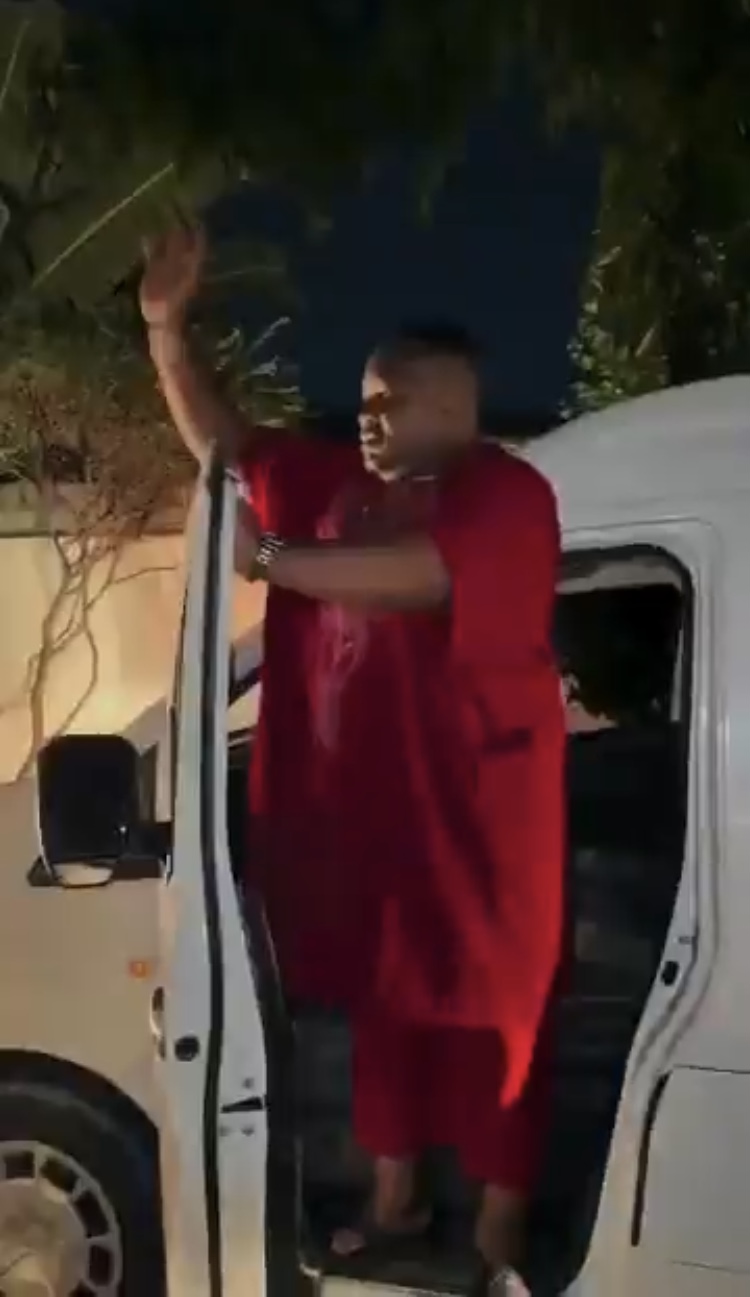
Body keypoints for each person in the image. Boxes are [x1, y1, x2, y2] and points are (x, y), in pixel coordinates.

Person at [141, 225, 565, 1296]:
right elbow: (228, 449)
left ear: (452, 407)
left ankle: (500, 1240)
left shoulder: (506, 495)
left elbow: (420, 576)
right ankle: (394, 1208)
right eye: (366, 402)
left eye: (390, 402)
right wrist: (165, 335)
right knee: (389, 1019)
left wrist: (271, 558)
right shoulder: (338, 488)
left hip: (483, 835)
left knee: (500, 1034)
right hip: (378, 831)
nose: (368, 418)